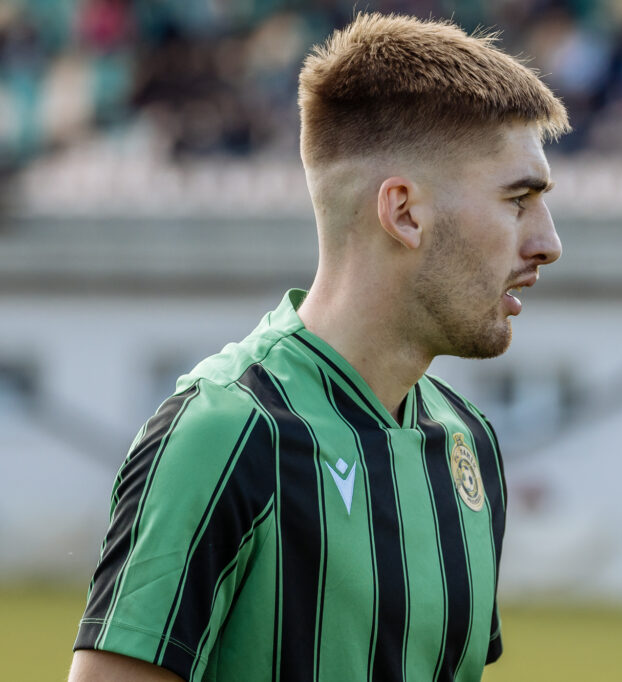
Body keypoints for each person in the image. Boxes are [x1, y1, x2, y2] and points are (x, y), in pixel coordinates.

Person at [68, 12, 568, 681]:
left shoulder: (467, 446)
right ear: (404, 212)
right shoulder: (225, 433)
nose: (548, 243)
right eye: (518, 200)